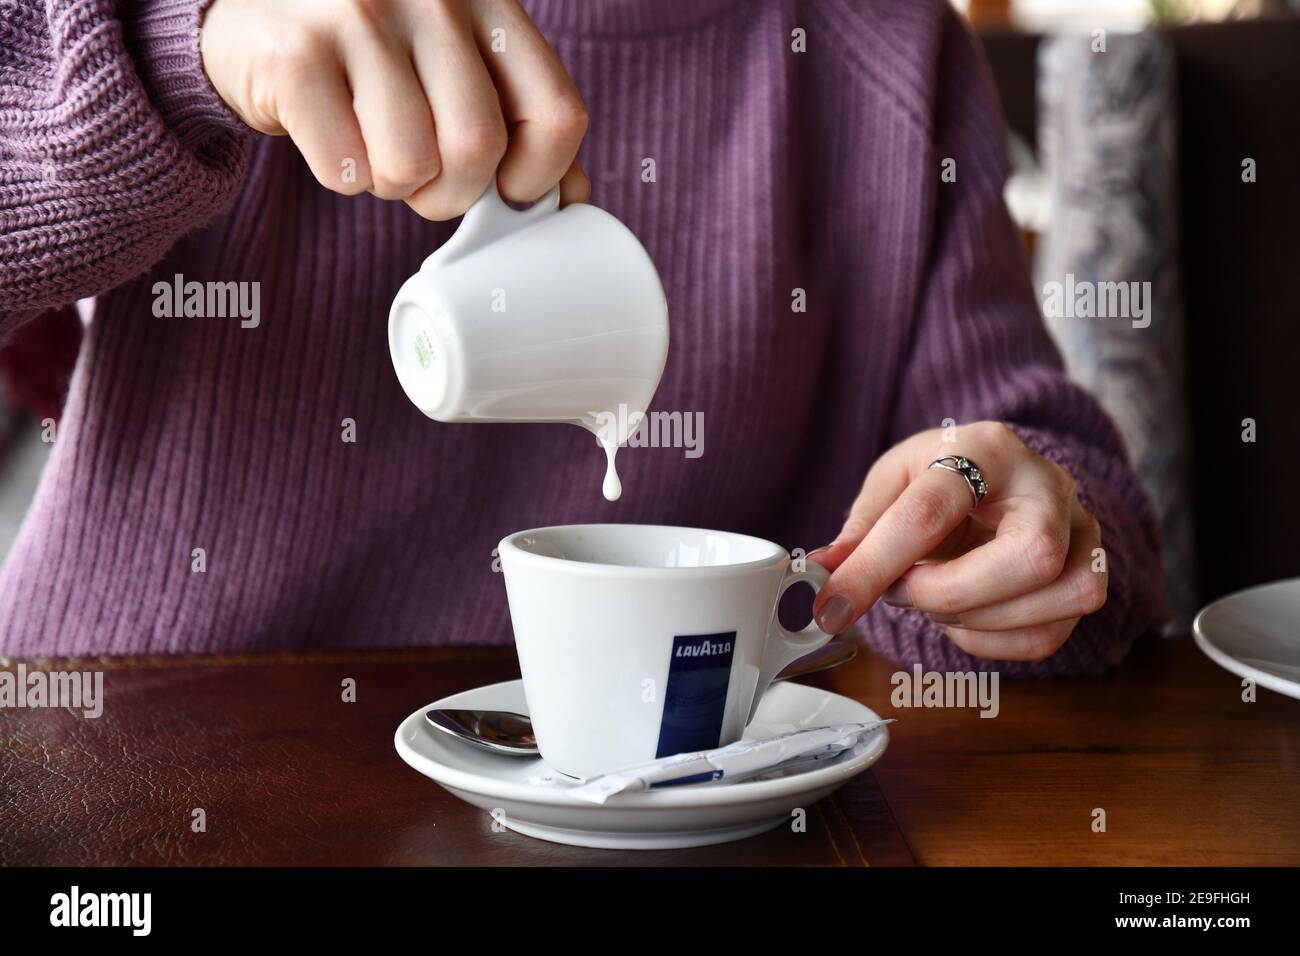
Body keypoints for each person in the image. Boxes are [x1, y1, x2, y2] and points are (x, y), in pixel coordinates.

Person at [0, 0, 1164, 673]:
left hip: (679, 816)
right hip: (137, 778)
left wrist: (1028, 537)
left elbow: (1067, 493)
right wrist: (173, 57)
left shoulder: (881, 47)